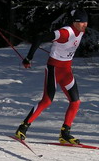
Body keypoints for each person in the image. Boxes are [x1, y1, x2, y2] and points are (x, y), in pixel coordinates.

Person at [15, 8, 89, 144]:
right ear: (75, 22)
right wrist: (29, 57)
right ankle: (23, 127)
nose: (85, 24)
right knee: (47, 100)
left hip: (66, 70)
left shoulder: (81, 31)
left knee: (75, 102)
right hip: (54, 69)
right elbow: (40, 37)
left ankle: (65, 133)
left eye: (86, 22)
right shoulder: (65, 32)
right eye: (82, 22)